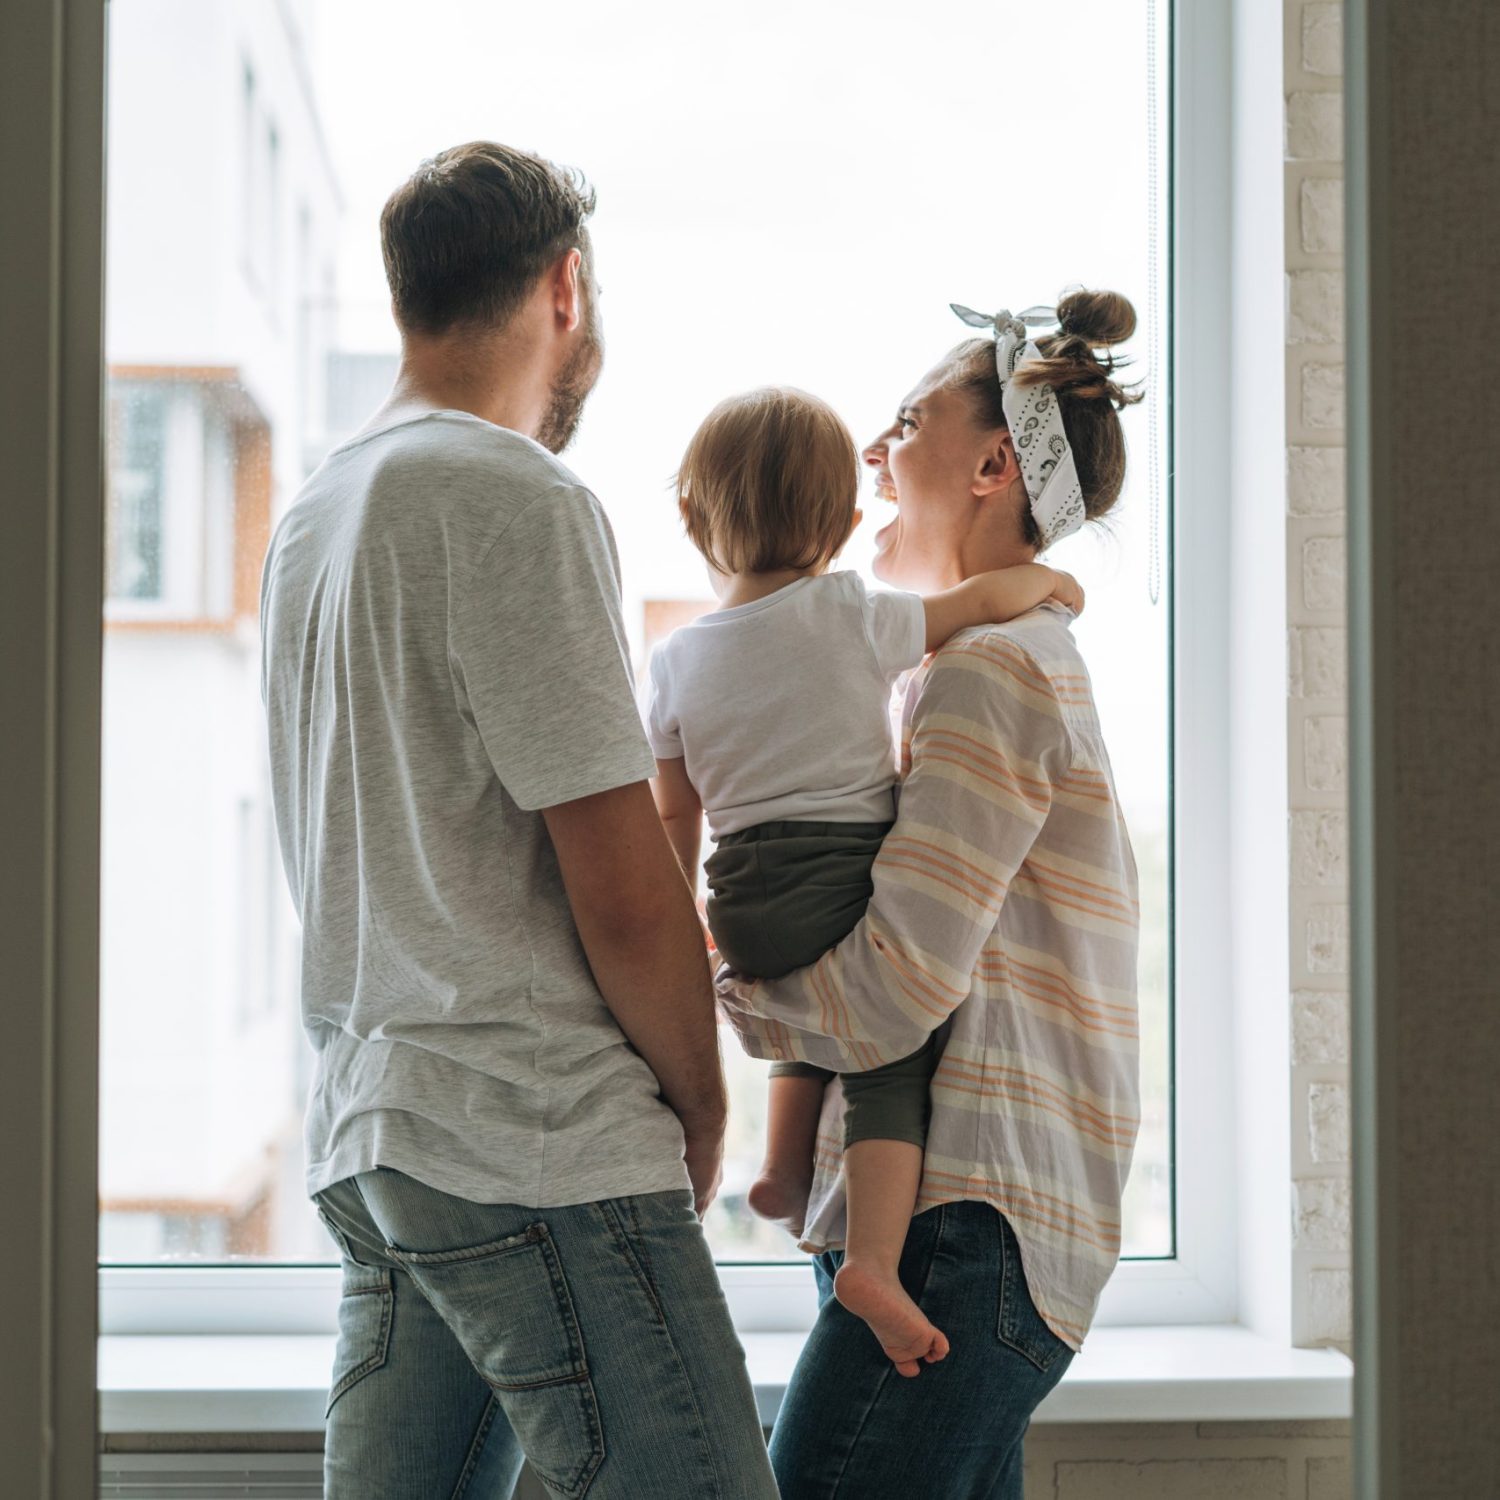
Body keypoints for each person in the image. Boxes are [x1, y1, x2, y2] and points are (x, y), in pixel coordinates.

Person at [260, 141, 778, 1500]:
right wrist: (702, 1101)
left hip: (387, 1136)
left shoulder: (315, 515)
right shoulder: (508, 497)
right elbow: (618, 880)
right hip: (529, 1132)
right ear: (566, 290)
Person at [718, 291, 1144, 1499]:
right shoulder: (986, 661)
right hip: (967, 1224)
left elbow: (892, 988)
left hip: (965, 1225)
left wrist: (731, 989)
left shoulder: (991, 672)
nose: (871, 451)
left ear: (994, 465)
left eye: (906, 423)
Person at [646, 385, 1083, 1377]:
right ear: (844, 526)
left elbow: (674, 814)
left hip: (741, 899)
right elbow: (973, 605)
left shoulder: (673, 661)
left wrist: (693, 923)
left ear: (692, 520)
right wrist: (1051, 585)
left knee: (810, 1025)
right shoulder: (849, 612)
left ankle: (778, 1171)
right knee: (889, 1057)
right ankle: (876, 1264)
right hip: (842, 878)